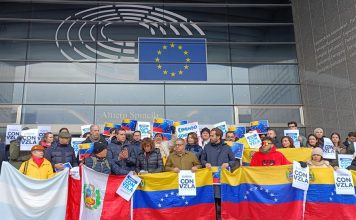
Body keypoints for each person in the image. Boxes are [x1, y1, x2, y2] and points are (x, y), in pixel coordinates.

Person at [200, 128, 238, 220]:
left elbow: (234, 161)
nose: (210, 137)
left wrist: (228, 164)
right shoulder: (207, 147)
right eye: (210, 135)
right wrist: (205, 163)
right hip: (210, 180)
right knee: (212, 202)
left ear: (219, 137)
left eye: (212, 135)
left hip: (223, 180)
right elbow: (202, 160)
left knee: (222, 202)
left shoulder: (226, 147)